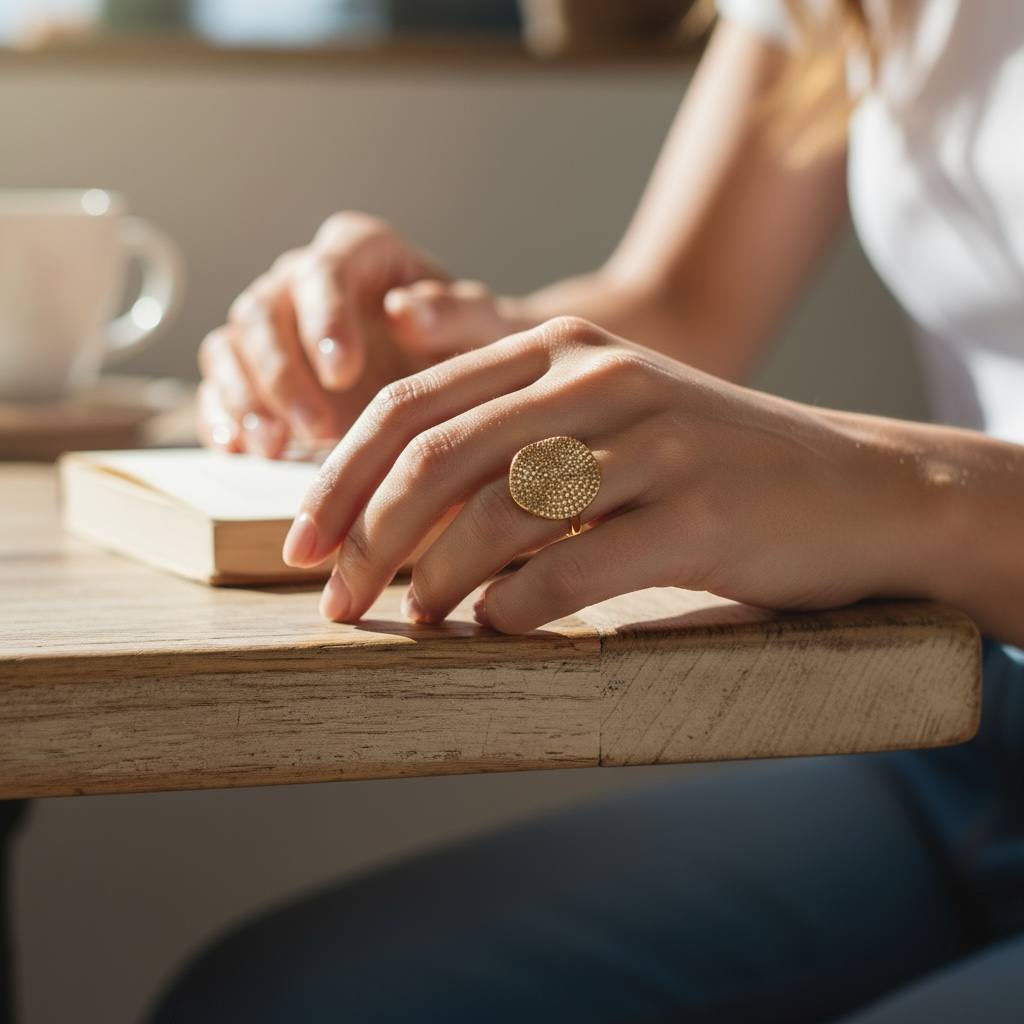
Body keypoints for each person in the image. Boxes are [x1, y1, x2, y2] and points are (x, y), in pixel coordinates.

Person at [151, 1, 1024, 1019]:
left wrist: (908, 493)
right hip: (975, 731)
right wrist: (459, 368)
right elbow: (680, 299)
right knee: (269, 1004)